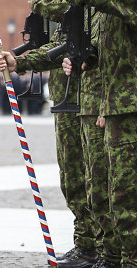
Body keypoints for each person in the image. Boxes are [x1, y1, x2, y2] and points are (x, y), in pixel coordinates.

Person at [0, 1, 100, 266]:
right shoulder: (70, 20)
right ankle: (86, 244)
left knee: (96, 181)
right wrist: (17, 61)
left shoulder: (89, 11)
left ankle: (105, 246)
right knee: (72, 179)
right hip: (67, 106)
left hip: (92, 102)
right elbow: (52, 51)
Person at [62, 1, 137, 266]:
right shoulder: (99, 14)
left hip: (129, 107)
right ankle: (115, 258)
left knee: (127, 196)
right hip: (111, 106)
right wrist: (81, 59)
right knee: (111, 192)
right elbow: (106, 53)